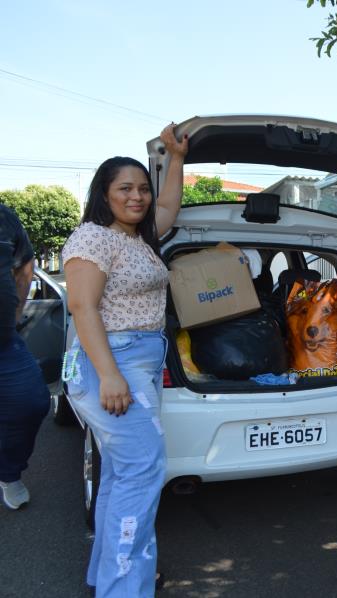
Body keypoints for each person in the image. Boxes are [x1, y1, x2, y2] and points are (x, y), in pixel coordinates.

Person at [62, 123, 188, 597]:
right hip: (110, 363)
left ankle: (106, 577)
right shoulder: (93, 238)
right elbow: (82, 307)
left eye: (142, 189)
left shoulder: (137, 238)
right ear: (104, 193)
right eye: (124, 189)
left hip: (136, 363)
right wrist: (110, 375)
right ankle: (125, 589)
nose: (136, 197)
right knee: (142, 473)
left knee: (121, 475)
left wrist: (175, 158)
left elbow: (170, 207)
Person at [0, 204, 50, 510]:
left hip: (5, 342)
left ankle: (8, 473)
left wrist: (16, 312)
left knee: (32, 402)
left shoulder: (4, 217)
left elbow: (25, 264)